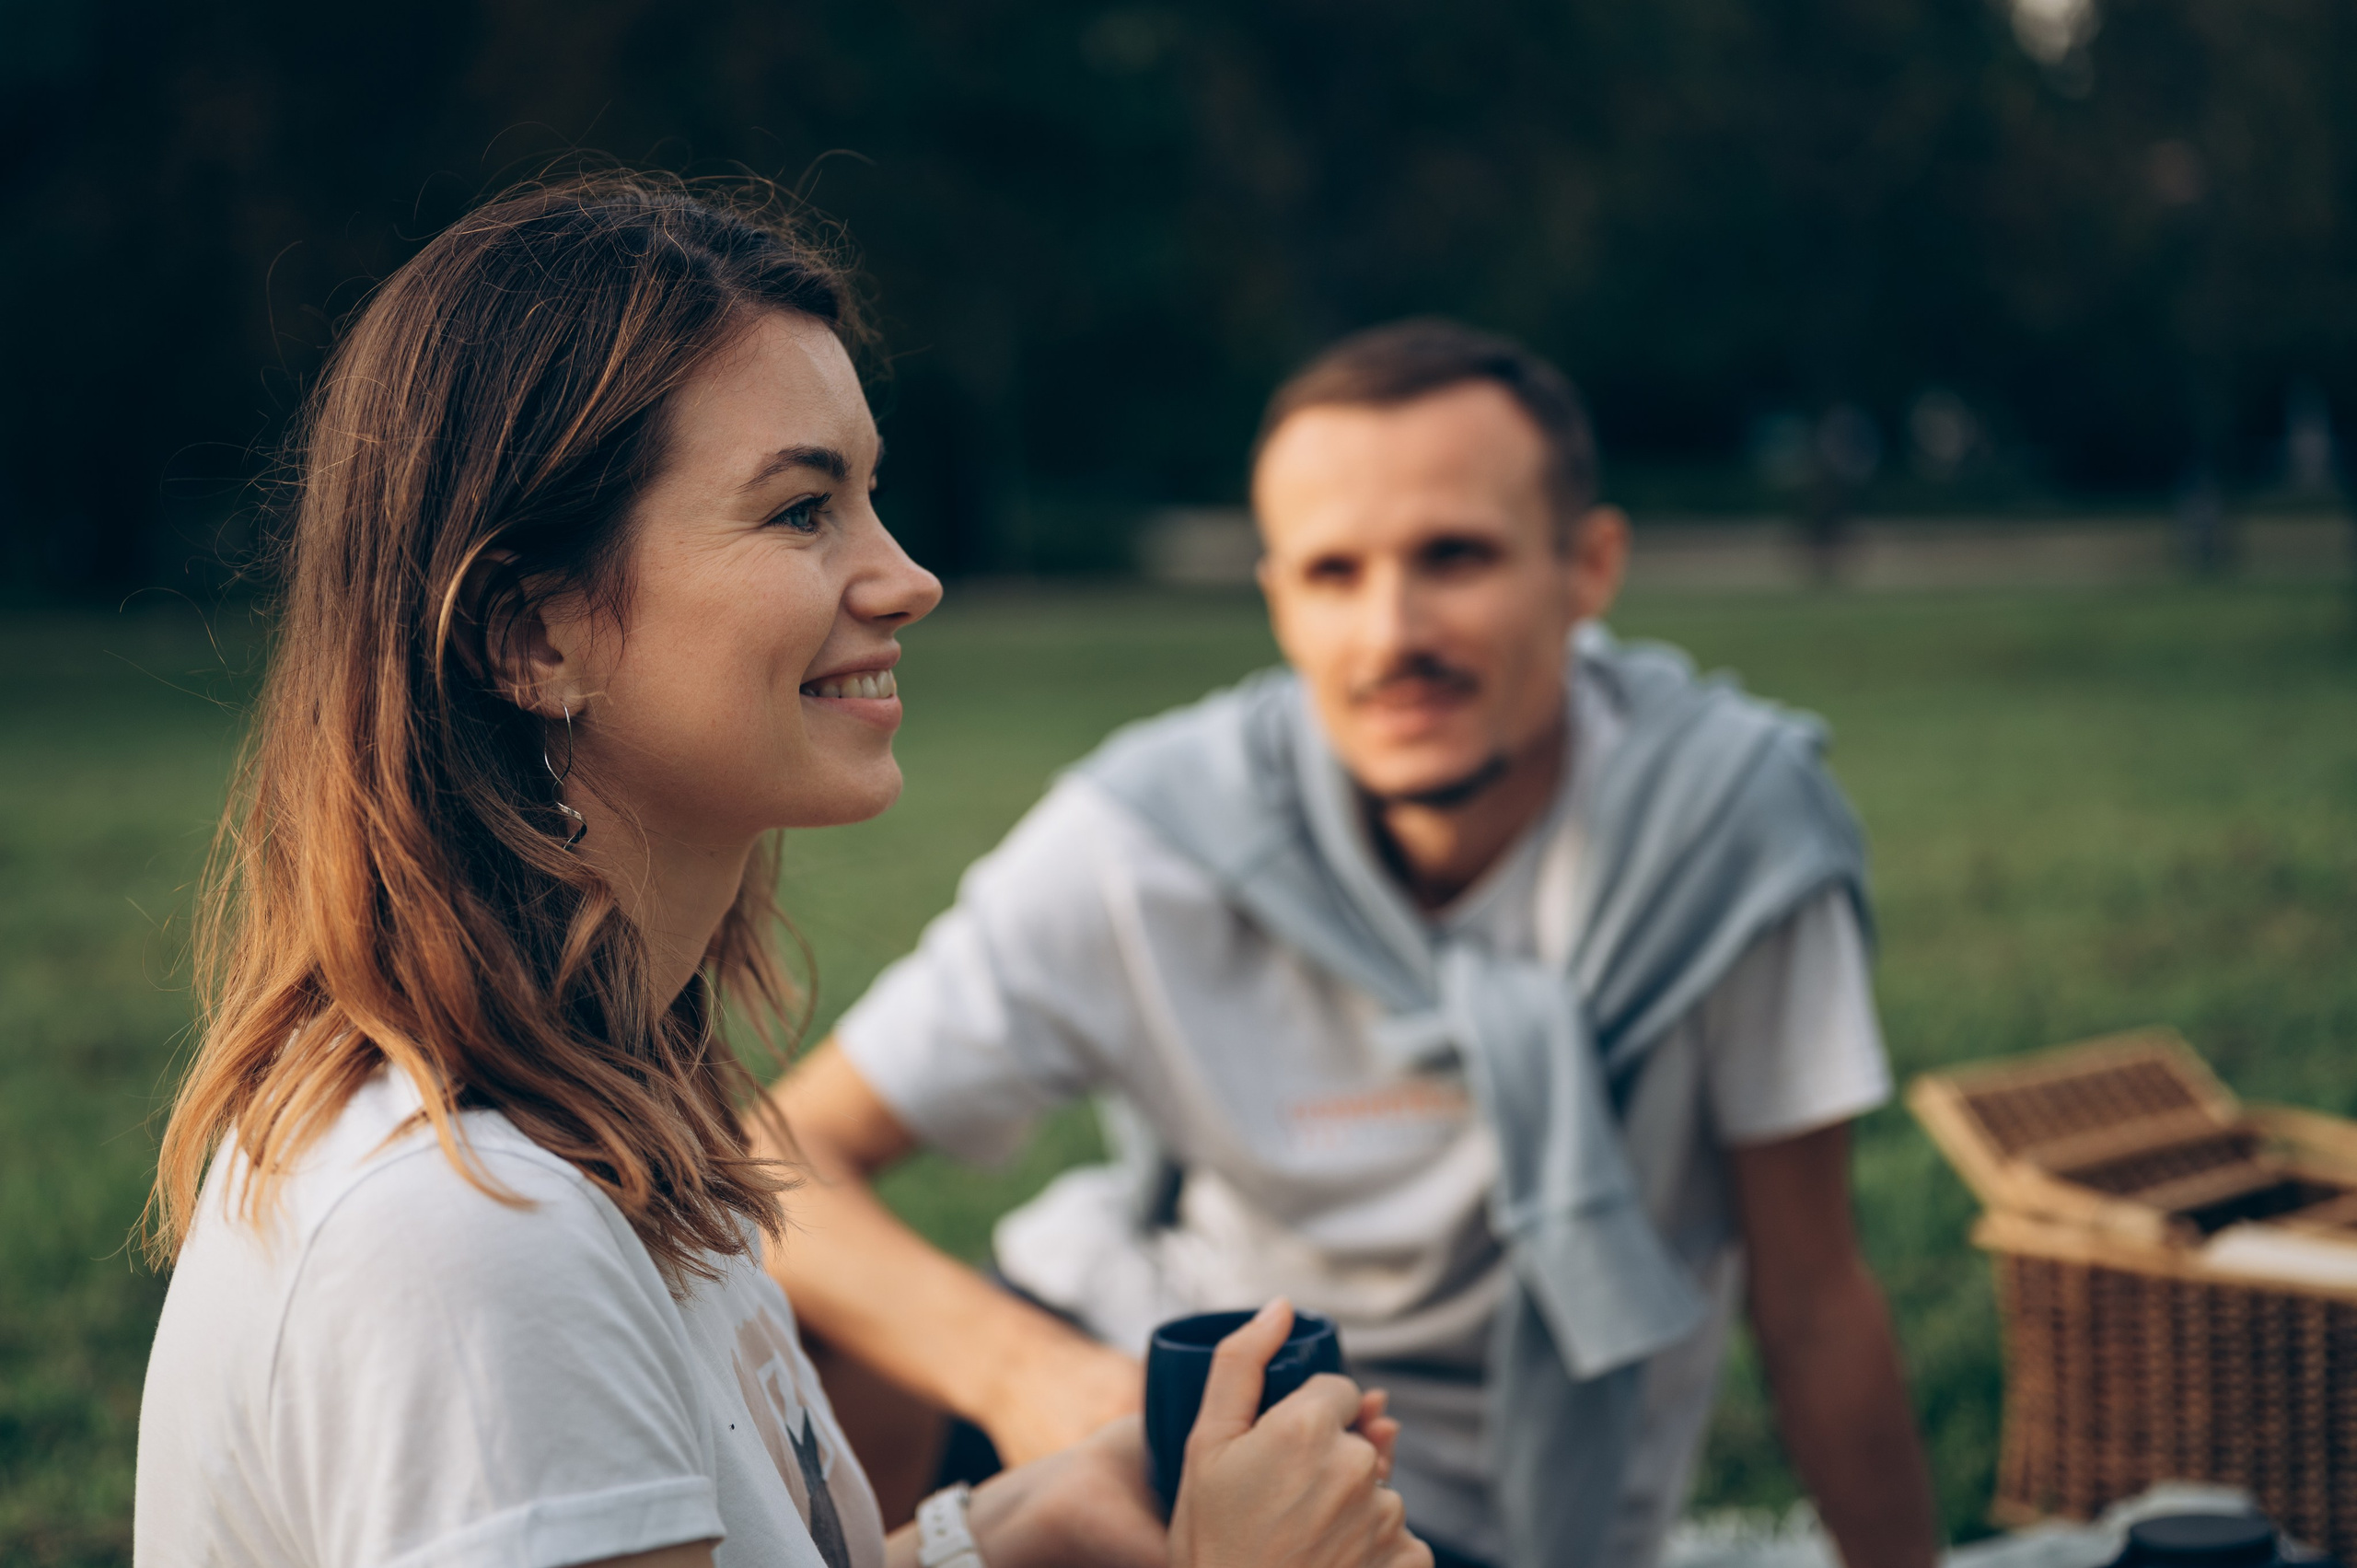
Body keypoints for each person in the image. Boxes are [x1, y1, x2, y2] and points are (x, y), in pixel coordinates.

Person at [133, 172, 1430, 1568]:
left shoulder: (609, 1111)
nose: (908, 578)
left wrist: (996, 1535)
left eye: (871, 496)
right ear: (531, 637)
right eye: (803, 512)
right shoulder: (471, 1240)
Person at [763, 320, 1942, 1568]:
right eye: (1334, 574)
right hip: (1140, 1414)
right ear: (1279, 599)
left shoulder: (1733, 833)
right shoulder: (1152, 831)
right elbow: (776, 1158)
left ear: (1587, 567)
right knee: (788, 1336)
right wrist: (1030, 1377)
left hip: (1463, 1518)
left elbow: (1812, 1295)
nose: (1393, 635)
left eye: (1455, 557)